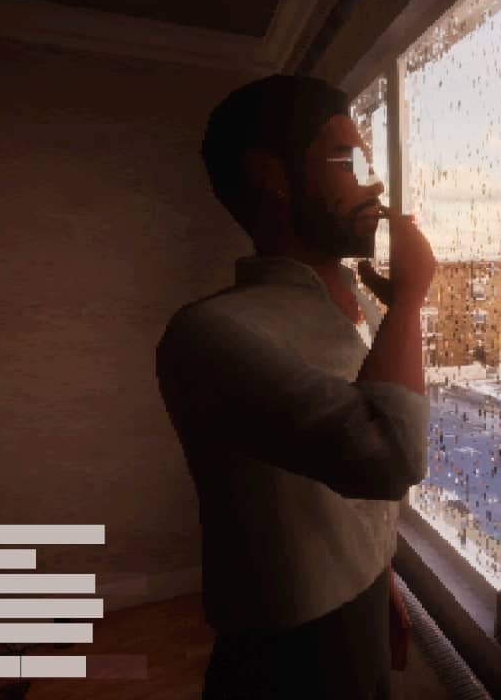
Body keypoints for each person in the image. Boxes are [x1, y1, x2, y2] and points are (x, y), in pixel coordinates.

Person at [155, 74, 436, 699]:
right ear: (273, 177)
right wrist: (411, 303)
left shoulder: (331, 315)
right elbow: (388, 458)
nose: (374, 181)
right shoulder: (209, 333)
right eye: (345, 160)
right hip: (286, 650)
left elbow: (327, 485)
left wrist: (375, 573)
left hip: (354, 604)